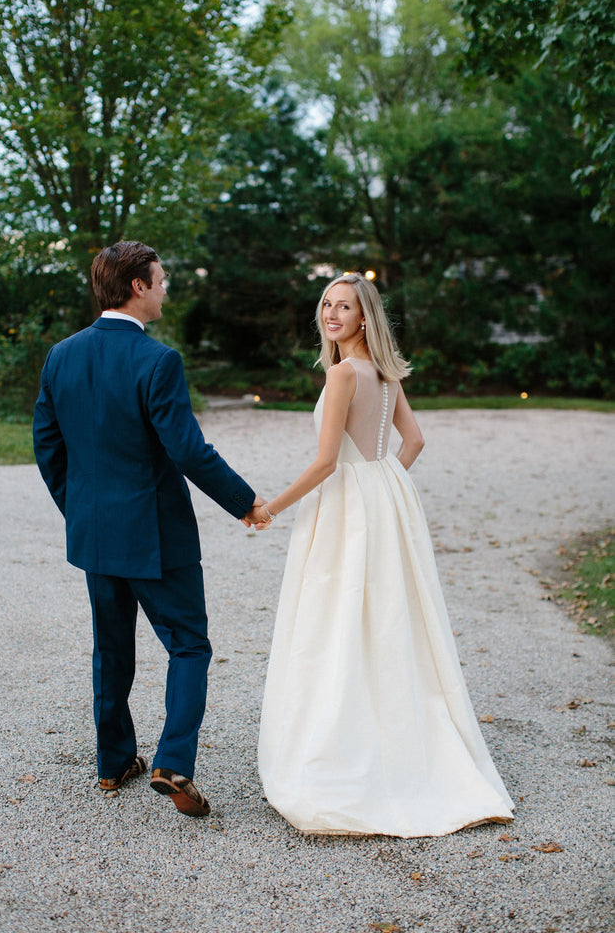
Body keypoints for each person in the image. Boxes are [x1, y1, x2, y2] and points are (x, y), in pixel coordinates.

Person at [252, 273, 514, 836]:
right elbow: (412, 442)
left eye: (343, 305)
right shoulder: (385, 374)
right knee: (386, 621)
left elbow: (326, 463)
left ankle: (342, 749)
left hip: (345, 508)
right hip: (379, 504)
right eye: (326, 303)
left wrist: (272, 507)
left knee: (336, 619)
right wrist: (382, 486)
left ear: (364, 316)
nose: (331, 313)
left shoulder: (345, 373)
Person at [33, 240, 263, 818]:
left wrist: (80, 509)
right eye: (161, 280)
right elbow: (188, 450)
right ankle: (172, 762)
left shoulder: (61, 355)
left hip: (95, 534)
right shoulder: (157, 361)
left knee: (110, 648)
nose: (165, 289)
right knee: (189, 645)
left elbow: (47, 446)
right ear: (138, 286)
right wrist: (243, 501)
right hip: (156, 536)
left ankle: (113, 763)